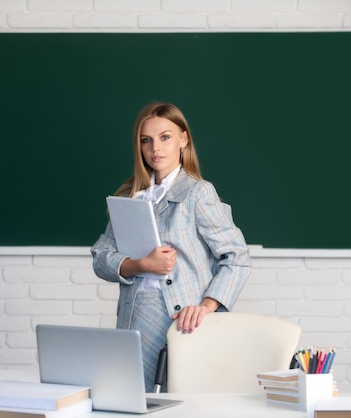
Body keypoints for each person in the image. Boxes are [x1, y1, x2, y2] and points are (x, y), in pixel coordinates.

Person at [90, 102, 252, 392]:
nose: (156, 147)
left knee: (181, 400)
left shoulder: (197, 192)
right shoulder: (130, 196)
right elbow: (100, 257)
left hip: (182, 319)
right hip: (134, 316)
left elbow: (236, 257)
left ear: (183, 140)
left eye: (165, 137)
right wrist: (142, 265)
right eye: (146, 140)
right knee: (135, 400)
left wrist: (206, 306)